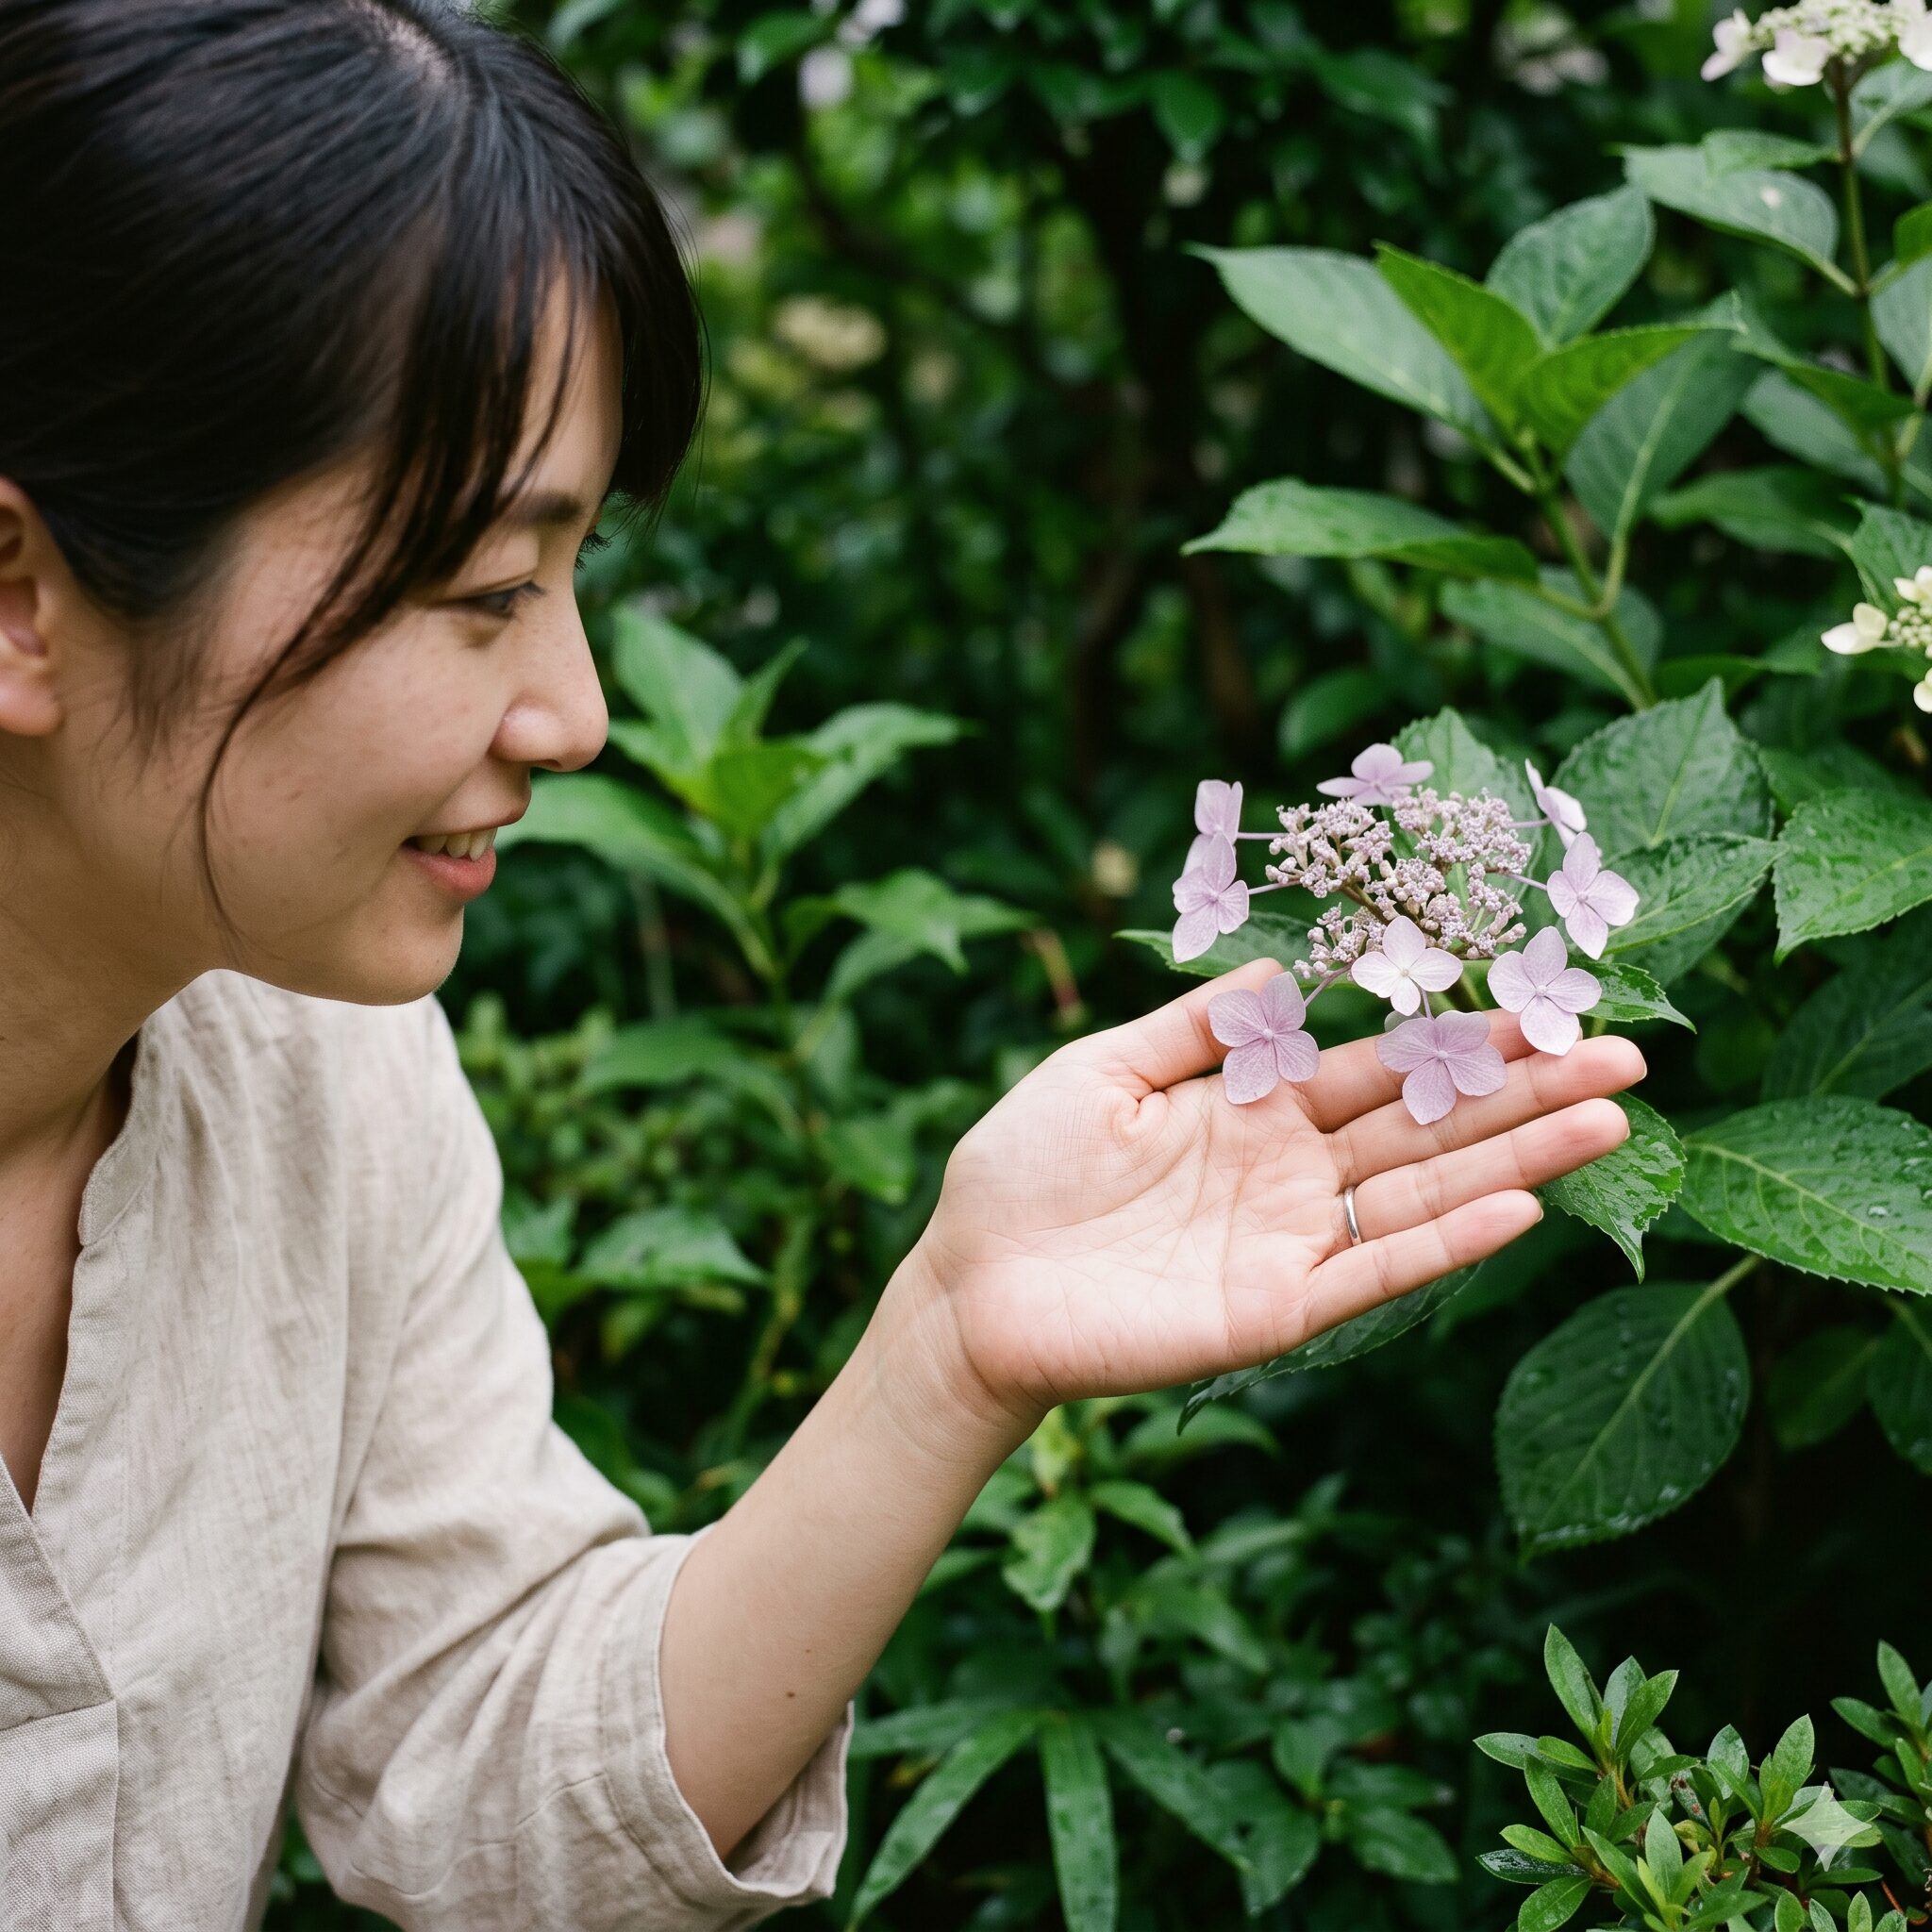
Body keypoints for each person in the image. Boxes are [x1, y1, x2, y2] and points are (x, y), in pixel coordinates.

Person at [0, 2, 1644, 1926]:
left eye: (577, 570)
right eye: (482, 591)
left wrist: (948, 1345)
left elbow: (484, 1766)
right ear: (24, 597)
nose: (580, 711)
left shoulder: (316, 1066)